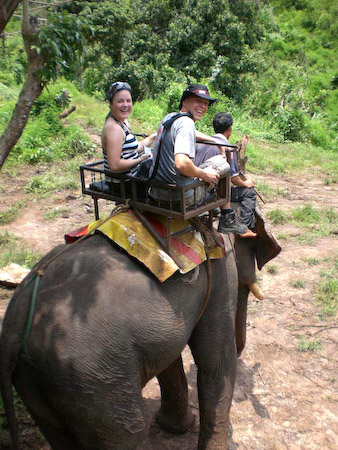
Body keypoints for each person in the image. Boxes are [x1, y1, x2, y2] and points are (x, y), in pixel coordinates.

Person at [149, 83, 228, 209]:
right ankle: (226, 216)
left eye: (206, 104)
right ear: (185, 102)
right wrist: (204, 174)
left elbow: (187, 133)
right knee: (223, 163)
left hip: (157, 190)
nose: (203, 106)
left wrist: (213, 140)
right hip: (179, 195)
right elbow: (182, 163)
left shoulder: (170, 118)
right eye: (198, 101)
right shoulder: (186, 123)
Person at [196, 112, 257, 237]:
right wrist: (246, 183)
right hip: (213, 191)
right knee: (249, 193)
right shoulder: (227, 147)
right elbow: (234, 179)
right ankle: (242, 226)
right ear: (229, 129)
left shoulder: (201, 143)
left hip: (196, 186)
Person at [101, 81, 156, 195]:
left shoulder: (123, 122)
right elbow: (114, 165)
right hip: (124, 184)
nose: (125, 105)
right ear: (111, 104)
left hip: (133, 178)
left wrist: (153, 137)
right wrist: (140, 160)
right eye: (120, 101)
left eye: (128, 101)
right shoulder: (114, 129)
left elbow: (134, 148)